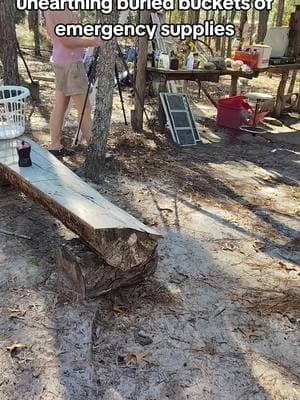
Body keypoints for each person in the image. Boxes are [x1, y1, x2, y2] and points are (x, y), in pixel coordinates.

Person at [44, 10, 102, 157]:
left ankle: (55, 145)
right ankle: (96, 151)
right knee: (85, 108)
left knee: (60, 107)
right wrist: (93, 42)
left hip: (60, 60)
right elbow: (67, 40)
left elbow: (53, 35)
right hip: (71, 64)